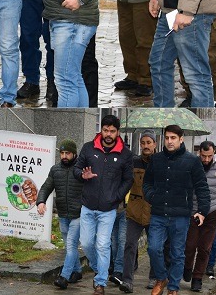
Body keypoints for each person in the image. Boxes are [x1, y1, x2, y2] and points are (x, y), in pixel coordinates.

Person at [143, 124, 210, 295]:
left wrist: (202, 211)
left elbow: (202, 187)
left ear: (181, 139)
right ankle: (161, 278)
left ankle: (173, 288)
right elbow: (147, 182)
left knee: (177, 253)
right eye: (167, 138)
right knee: (153, 248)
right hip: (158, 212)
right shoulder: (156, 159)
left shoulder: (192, 160)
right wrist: (151, 196)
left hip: (180, 215)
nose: (169, 141)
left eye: (173, 138)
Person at [72, 114, 133, 295]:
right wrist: (81, 175)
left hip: (108, 209)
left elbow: (128, 180)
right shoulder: (89, 148)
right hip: (88, 206)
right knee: (87, 243)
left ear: (117, 132)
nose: (108, 134)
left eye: (112, 131)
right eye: (105, 130)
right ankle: (101, 270)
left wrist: (116, 197)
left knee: (103, 245)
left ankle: (100, 283)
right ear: (101, 130)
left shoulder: (125, 154)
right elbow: (76, 168)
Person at [182, 141, 216, 292]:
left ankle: (197, 278)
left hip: (213, 213)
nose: (206, 160)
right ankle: (187, 267)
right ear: (199, 153)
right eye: (203, 156)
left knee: (205, 247)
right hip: (193, 211)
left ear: (214, 153)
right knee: (190, 245)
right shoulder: (191, 166)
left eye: (209, 156)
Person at [35, 139, 85, 290]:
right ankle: (77, 271)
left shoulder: (81, 169)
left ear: (74, 154)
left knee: (70, 245)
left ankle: (64, 277)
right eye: (62, 153)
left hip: (79, 214)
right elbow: (46, 187)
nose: (64, 156)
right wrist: (41, 201)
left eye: (67, 153)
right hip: (63, 214)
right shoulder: (55, 170)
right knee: (70, 246)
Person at [119, 130, 158, 293]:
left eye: (149, 142)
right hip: (134, 211)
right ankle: (127, 280)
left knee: (155, 247)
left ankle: (154, 277)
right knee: (129, 244)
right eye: (143, 143)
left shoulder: (160, 163)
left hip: (154, 211)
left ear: (155, 144)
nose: (146, 146)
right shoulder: (133, 162)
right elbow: (124, 180)